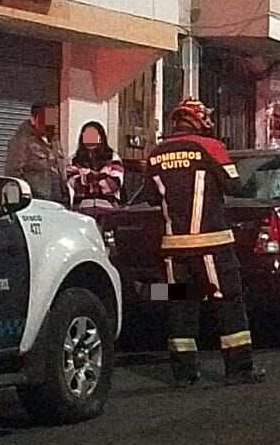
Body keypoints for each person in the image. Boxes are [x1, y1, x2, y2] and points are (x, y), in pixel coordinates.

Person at [142, 98, 265, 387]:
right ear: (198, 120)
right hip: (213, 245)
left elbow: (149, 196)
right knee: (228, 303)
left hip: (174, 250)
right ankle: (239, 369)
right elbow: (234, 185)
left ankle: (184, 375)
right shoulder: (210, 147)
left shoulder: (156, 153)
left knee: (180, 306)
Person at [4, 103, 66, 203]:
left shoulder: (55, 142)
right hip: (36, 201)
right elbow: (13, 173)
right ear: (33, 119)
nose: (49, 122)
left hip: (57, 201)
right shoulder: (22, 140)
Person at [66, 121, 124, 215]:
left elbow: (114, 184)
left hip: (108, 209)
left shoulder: (113, 157)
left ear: (101, 137)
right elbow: (73, 183)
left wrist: (87, 176)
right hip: (81, 209)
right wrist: (101, 176)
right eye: (87, 134)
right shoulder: (74, 159)